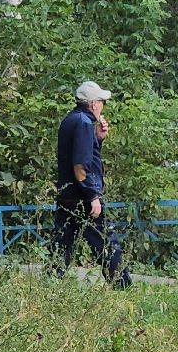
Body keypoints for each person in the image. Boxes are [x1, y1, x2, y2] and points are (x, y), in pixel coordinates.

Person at [51, 80, 130, 286]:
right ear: (94, 103)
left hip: (67, 195)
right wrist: (92, 196)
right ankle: (122, 285)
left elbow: (80, 154)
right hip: (83, 197)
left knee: (62, 244)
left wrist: (97, 139)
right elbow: (80, 166)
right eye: (102, 102)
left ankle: (51, 284)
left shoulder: (70, 120)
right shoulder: (84, 123)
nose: (103, 106)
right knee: (105, 242)